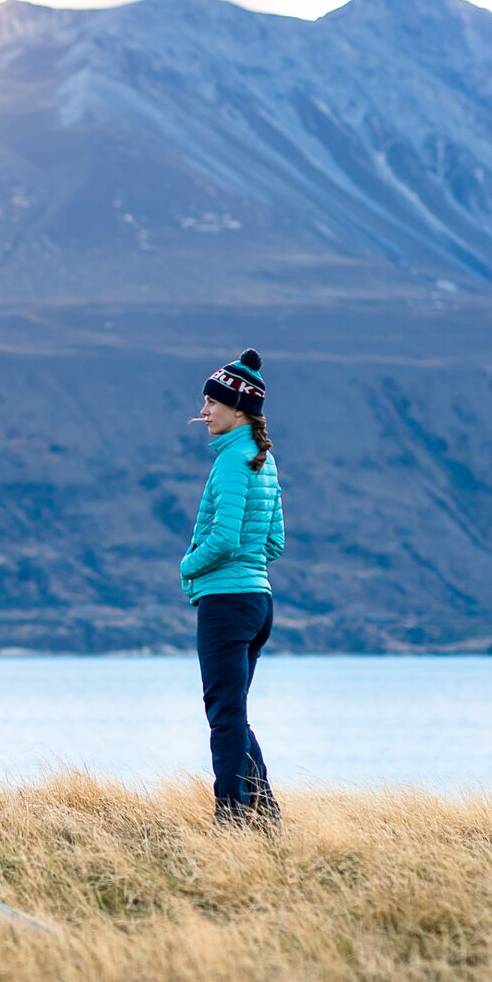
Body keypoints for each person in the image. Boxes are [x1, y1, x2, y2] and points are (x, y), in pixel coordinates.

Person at [179, 348, 285, 829]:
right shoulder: (264, 458)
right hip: (259, 602)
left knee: (223, 717)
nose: (202, 412)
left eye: (210, 403)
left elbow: (222, 539)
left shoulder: (229, 462)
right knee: (234, 712)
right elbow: (274, 543)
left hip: (226, 602)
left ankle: (232, 820)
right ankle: (264, 816)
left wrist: (187, 565)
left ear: (237, 408)